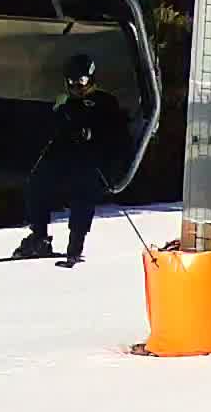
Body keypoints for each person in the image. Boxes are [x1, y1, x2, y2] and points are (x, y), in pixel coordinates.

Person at [16, 54, 129, 261]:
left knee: (83, 186)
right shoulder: (66, 102)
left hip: (93, 162)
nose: (76, 87)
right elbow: (51, 132)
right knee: (37, 181)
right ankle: (40, 236)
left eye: (82, 81)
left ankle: (76, 240)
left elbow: (115, 135)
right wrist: (59, 112)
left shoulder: (105, 101)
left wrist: (90, 134)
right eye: (71, 82)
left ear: (91, 79)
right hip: (66, 160)